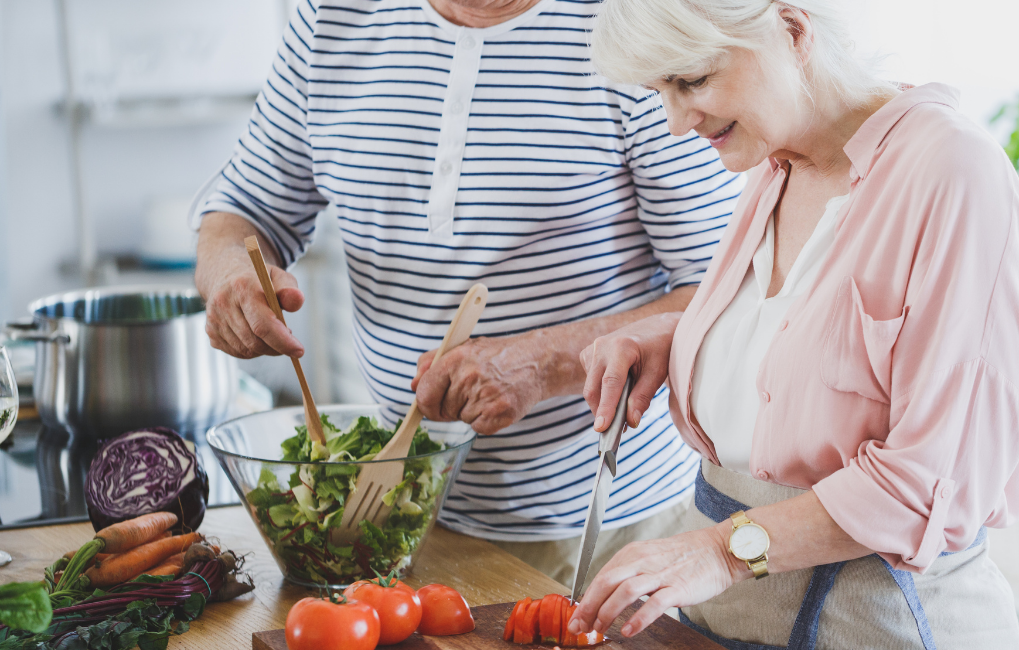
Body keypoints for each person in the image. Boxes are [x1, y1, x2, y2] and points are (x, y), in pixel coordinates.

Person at [192, 0, 743, 586]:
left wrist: (541, 362)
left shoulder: (633, 22)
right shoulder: (331, 15)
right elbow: (241, 211)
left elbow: (726, 291)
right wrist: (231, 274)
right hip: (398, 514)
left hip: (600, 526)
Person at [570, 1, 1019, 648]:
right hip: (735, 626)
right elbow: (815, 347)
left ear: (793, 31)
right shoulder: (778, 166)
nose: (677, 122)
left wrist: (721, 552)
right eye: (661, 91)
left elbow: (931, 483)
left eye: (692, 81)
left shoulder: (953, 172)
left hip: (885, 627)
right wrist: (686, 341)